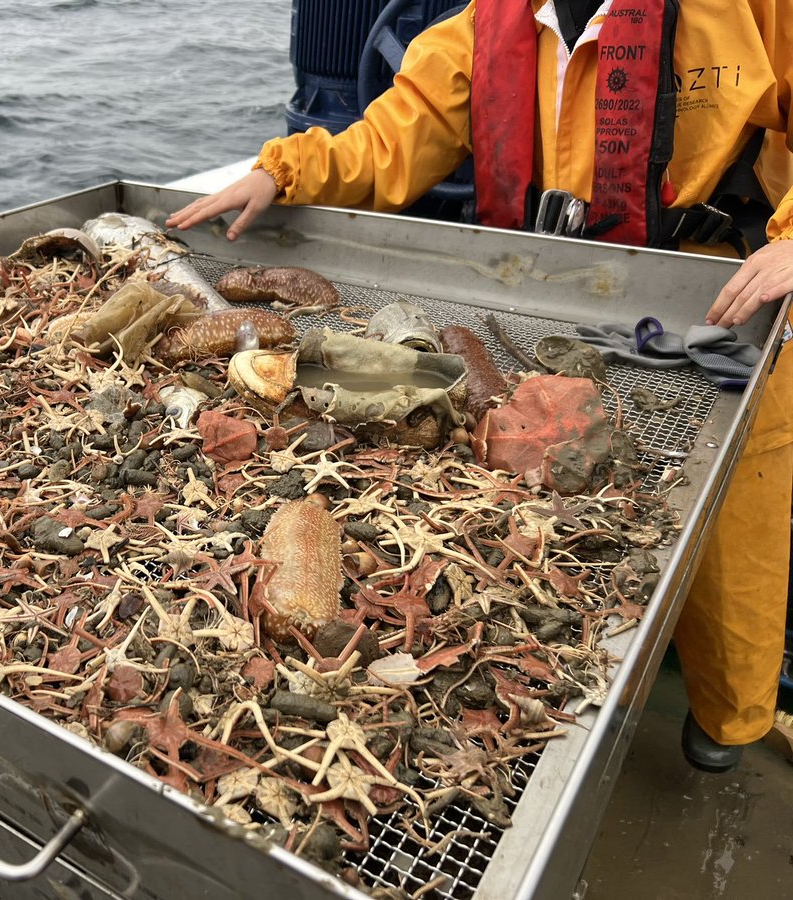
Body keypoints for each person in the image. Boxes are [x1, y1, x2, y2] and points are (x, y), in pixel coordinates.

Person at [168, 0, 793, 773]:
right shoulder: (481, 25)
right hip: (541, 308)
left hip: (709, 303)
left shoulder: (751, 10)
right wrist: (280, 172)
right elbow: (389, 139)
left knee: (734, 523)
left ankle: (731, 717)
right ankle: (596, 692)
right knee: (553, 518)